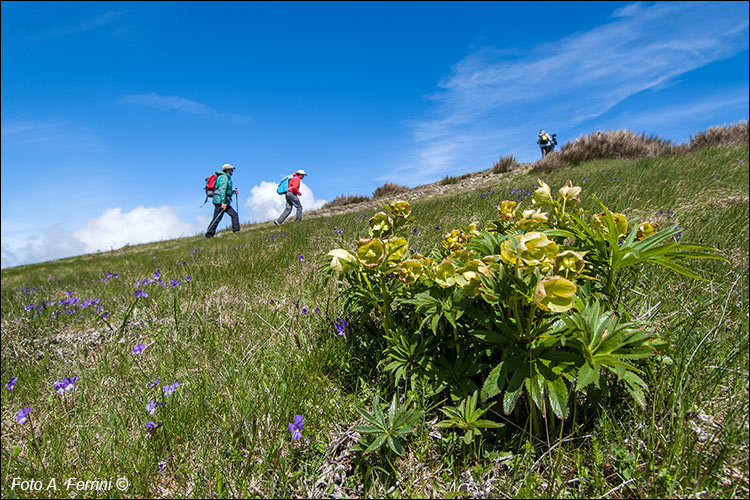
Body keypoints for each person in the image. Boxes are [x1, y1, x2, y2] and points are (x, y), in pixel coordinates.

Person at [205, 163, 240, 238]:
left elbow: (225, 190)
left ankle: (210, 233)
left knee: (223, 217)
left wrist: (233, 192)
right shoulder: (224, 177)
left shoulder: (223, 176)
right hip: (221, 201)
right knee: (219, 218)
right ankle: (209, 234)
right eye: (231, 169)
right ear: (227, 170)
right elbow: (222, 190)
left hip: (220, 200)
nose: (232, 171)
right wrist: (223, 202)